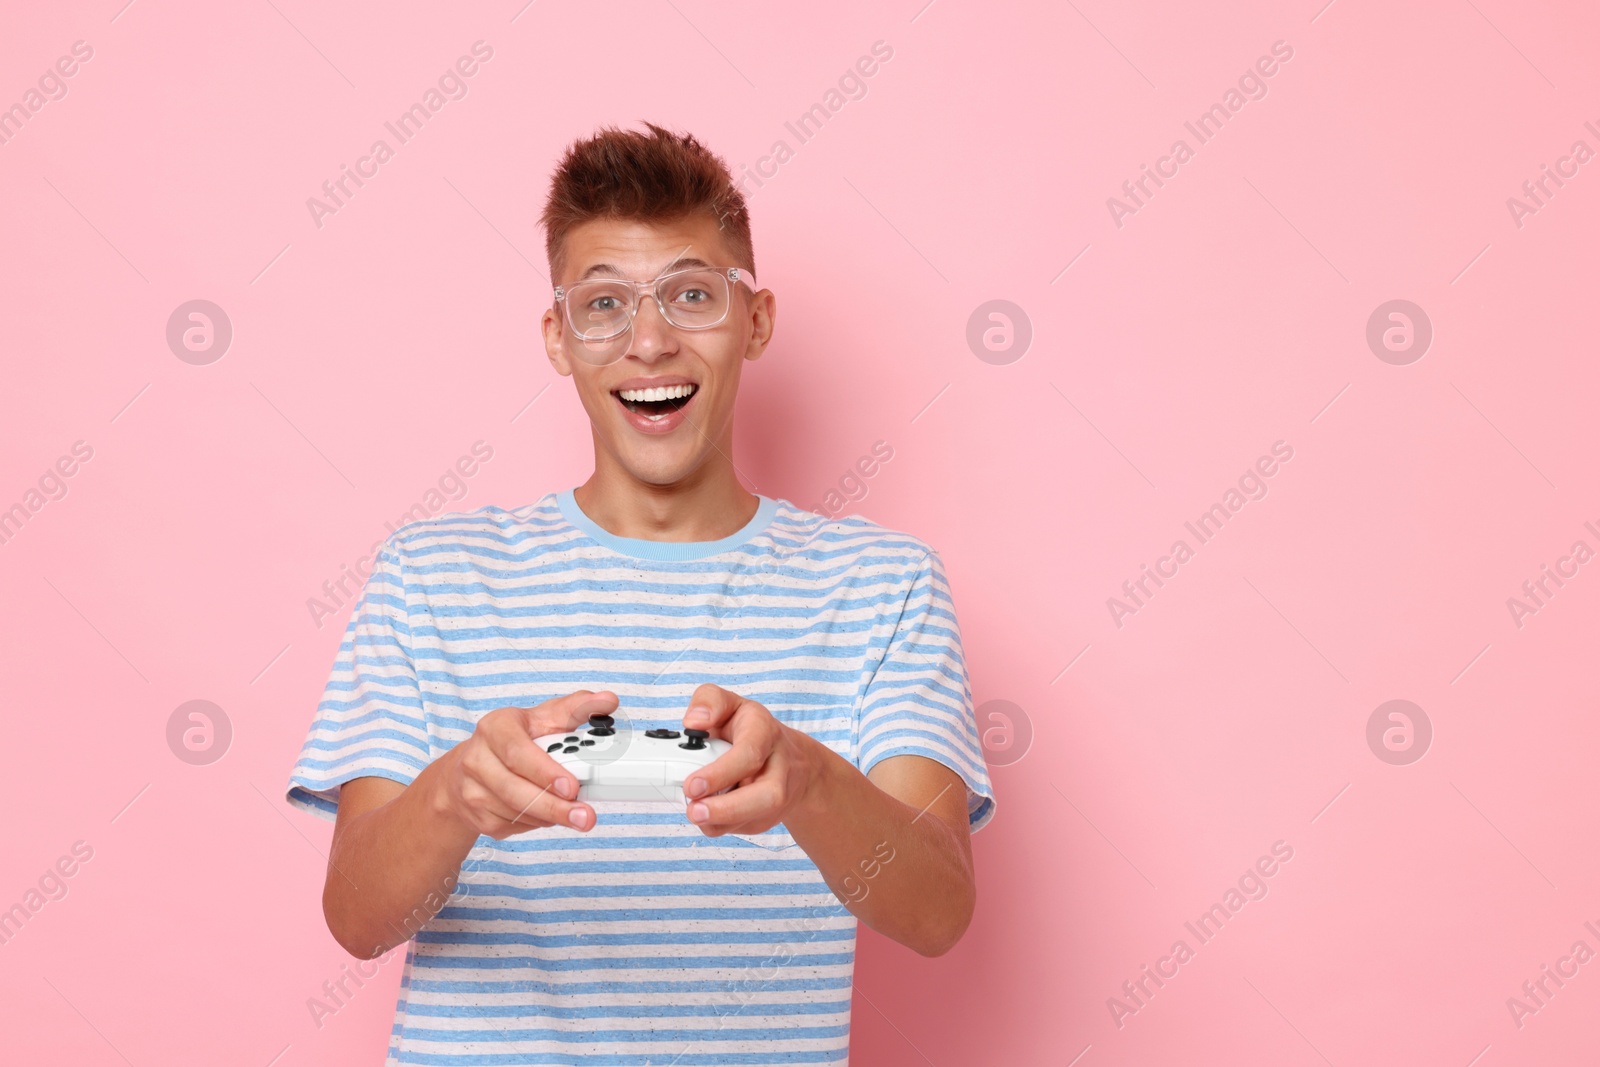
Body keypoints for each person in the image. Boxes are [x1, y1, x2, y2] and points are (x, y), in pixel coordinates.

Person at [286, 121, 995, 1066]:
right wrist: (459, 793)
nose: (650, 340)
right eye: (604, 304)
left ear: (756, 319)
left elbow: (940, 910)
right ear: (558, 337)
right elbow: (358, 919)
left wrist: (808, 779)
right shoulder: (431, 576)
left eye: (692, 295)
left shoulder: (883, 585)